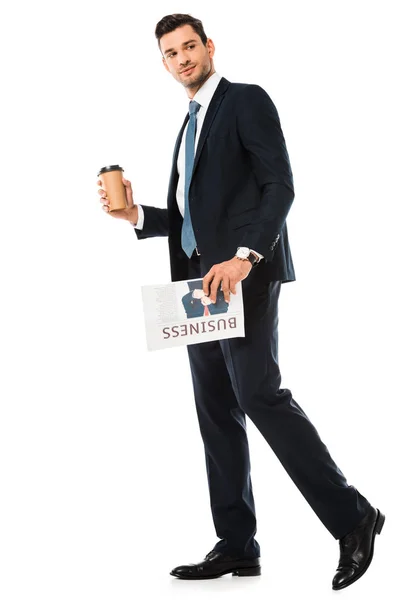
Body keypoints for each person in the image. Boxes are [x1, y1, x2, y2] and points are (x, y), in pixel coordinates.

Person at [97, 13, 385, 590]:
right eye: (170, 53)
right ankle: (236, 544)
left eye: (188, 47)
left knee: (259, 394)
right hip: (197, 288)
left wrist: (246, 256)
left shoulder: (245, 101)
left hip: (243, 276)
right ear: (162, 63)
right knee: (216, 410)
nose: (181, 58)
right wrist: (135, 216)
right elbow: (188, 221)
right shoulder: (187, 127)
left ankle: (354, 516)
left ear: (209, 46)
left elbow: (280, 184)